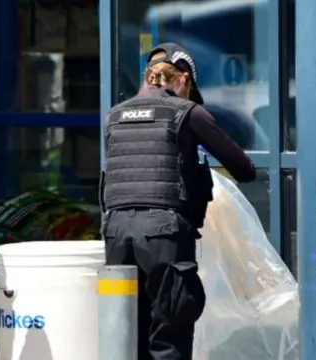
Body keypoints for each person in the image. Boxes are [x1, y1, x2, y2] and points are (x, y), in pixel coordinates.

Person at [99, 43, 256, 360]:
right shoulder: (188, 112)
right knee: (169, 330)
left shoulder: (114, 116)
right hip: (164, 234)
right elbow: (244, 168)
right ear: (183, 79)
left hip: (115, 232)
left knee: (125, 331)